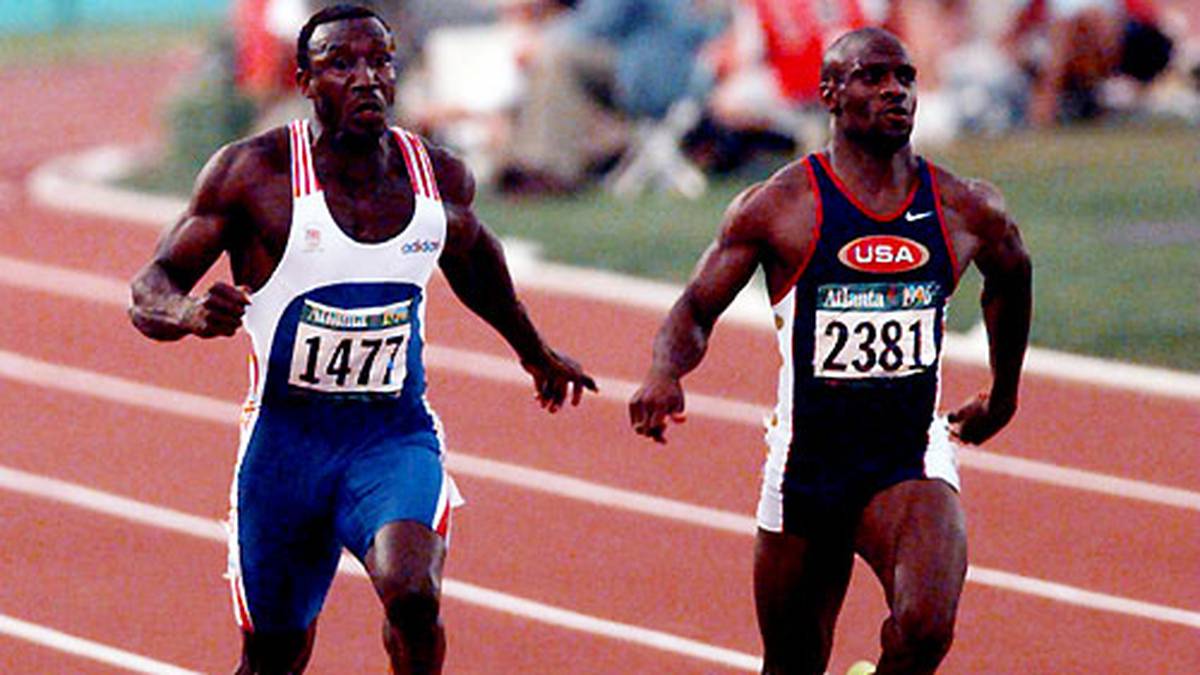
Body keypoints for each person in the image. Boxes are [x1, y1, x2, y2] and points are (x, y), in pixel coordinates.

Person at [128, 5, 596, 674]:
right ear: (305, 81)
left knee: (412, 593)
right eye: (342, 65)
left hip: (390, 436)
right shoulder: (253, 176)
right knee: (273, 658)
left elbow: (476, 261)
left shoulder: (435, 176)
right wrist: (190, 312)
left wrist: (535, 351)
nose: (367, 78)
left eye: (380, 62)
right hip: (285, 450)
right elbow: (149, 286)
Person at [629, 27, 1032, 675]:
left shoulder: (964, 207)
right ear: (830, 95)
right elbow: (694, 310)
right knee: (792, 663)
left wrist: (1004, 392)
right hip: (806, 464)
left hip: (907, 455)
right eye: (873, 77)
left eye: (904, 77)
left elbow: (1011, 281)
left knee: (925, 628)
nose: (894, 91)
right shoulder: (777, 207)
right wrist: (663, 371)